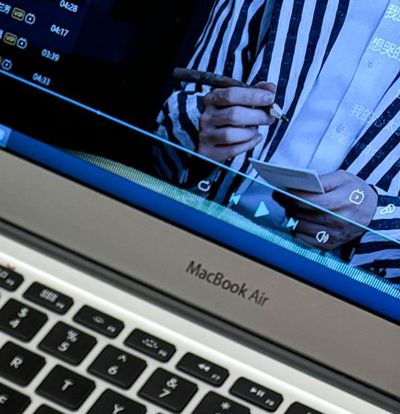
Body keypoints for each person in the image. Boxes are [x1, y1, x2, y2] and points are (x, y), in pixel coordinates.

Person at [157, 0, 400, 282]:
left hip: (347, 292)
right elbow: (177, 114)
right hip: (198, 235)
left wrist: (377, 217)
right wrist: (201, 131)